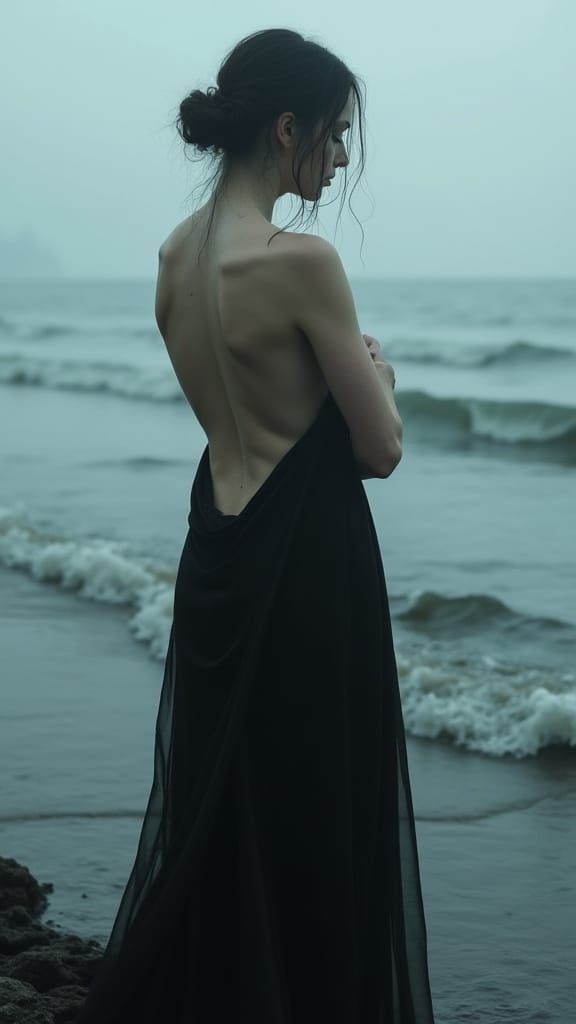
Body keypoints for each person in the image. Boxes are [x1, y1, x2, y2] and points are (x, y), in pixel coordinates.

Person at [74, 27, 437, 1023]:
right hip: (309, 563)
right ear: (287, 128)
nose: (341, 158)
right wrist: (383, 375)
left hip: (218, 554)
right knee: (315, 810)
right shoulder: (302, 261)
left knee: (231, 805)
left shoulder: (173, 257)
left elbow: (237, 406)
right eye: (335, 133)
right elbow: (378, 449)